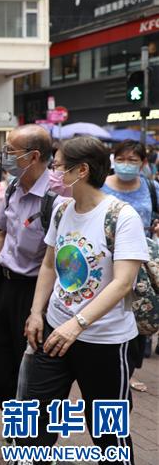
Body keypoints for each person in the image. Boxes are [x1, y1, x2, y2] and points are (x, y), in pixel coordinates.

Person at [12, 136, 148, 465]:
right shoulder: (62, 209)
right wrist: (37, 312)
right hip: (55, 333)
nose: (53, 173)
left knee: (109, 435)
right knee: (33, 423)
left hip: (104, 343)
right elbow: (48, 264)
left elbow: (123, 283)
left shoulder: (122, 217)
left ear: (81, 170)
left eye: (58, 166)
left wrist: (78, 323)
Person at [0, 124, 56, 412]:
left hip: (35, 291)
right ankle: (16, 412)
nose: (4, 156)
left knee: (29, 363)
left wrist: (38, 310)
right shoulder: (12, 187)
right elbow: (1, 234)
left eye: (10, 150)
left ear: (33, 156)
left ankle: (30, 425)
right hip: (4, 285)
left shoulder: (57, 196)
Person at [101, 139, 159, 393]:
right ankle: (104, 365)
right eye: (121, 159)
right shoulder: (101, 185)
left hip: (141, 262)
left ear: (143, 163)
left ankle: (129, 369)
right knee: (107, 311)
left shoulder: (151, 188)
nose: (126, 164)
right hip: (105, 258)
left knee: (137, 315)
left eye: (132, 160)